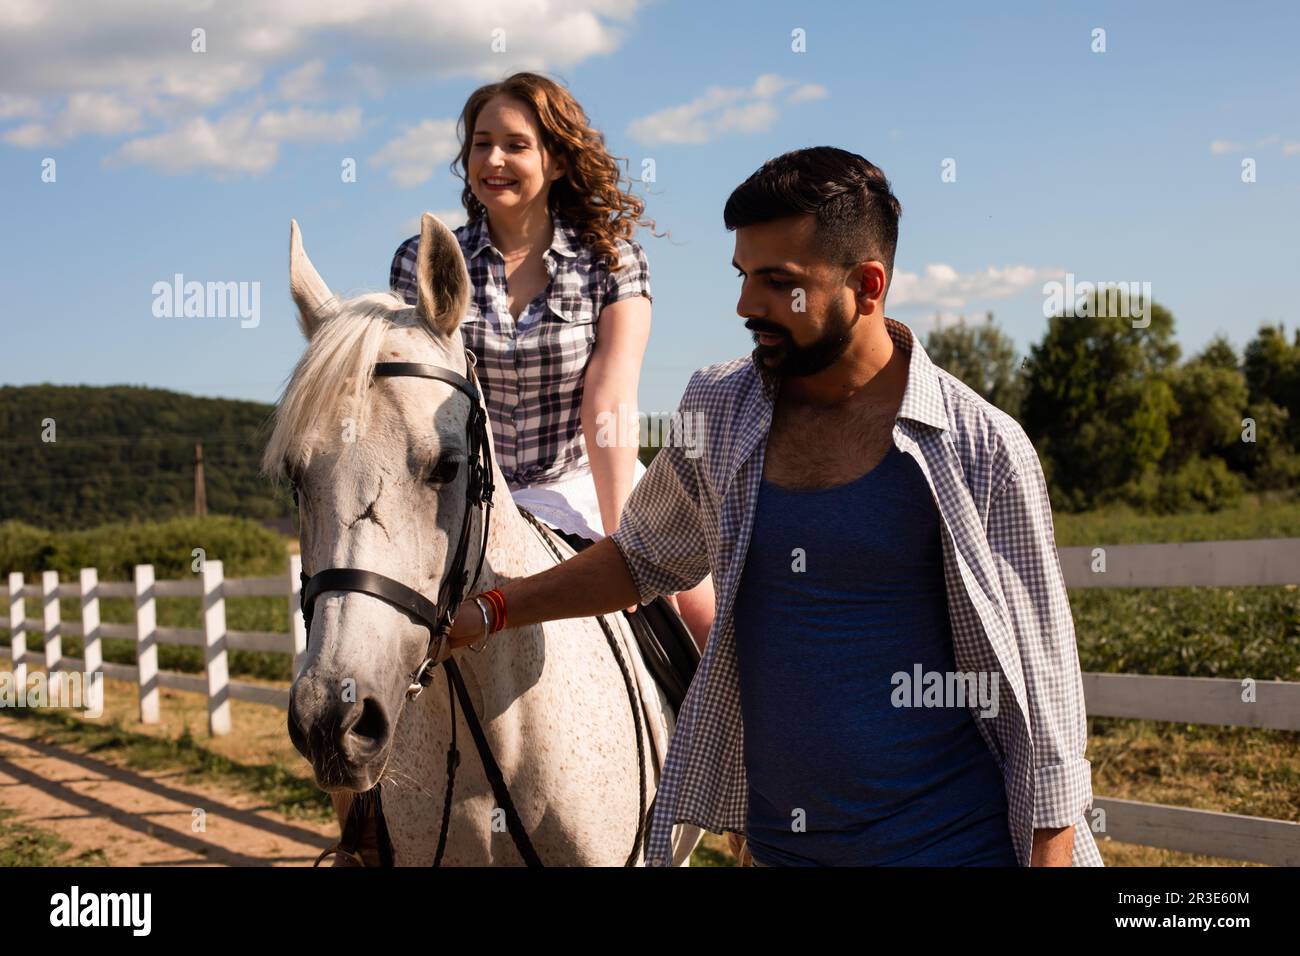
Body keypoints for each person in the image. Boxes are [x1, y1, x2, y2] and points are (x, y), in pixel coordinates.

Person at [447, 147, 1102, 868]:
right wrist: (489, 612)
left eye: (778, 283)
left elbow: (1047, 702)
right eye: (743, 276)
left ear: (868, 285)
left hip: (954, 847)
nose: (746, 305)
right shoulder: (721, 411)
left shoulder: (981, 448)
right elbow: (640, 558)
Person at [389, 71, 715, 641]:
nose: (493, 159)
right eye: (481, 143)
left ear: (558, 162)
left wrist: (623, 536)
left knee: (702, 617)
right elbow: (407, 396)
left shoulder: (611, 261)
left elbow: (610, 397)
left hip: (582, 478)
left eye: (516, 145)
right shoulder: (423, 259)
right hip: (467, 492)